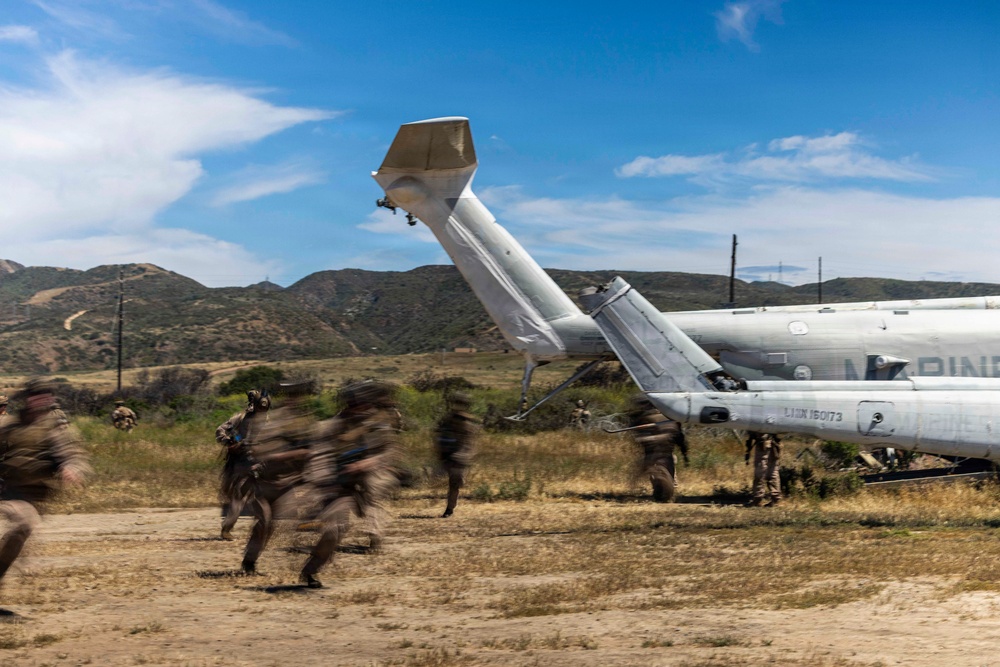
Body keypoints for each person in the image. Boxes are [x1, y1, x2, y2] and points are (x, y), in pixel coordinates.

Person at [299, 381, 400, 588]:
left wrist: (369, 463)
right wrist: (325, 482)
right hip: (337, 486)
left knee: (370, 503)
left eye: (365, 404)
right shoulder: (329, 428)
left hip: (366, 480)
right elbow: (318, 458)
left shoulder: (374, 424)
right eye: (358, 404)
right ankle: (310, 570)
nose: (363, 408)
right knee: (334, 529)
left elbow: (388, 450)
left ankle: (373, 535)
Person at [0, 379, 91, 593]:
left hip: (32, 495)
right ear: (28, 399)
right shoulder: (10, 426)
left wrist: (71, 468)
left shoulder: (53, 429)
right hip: (7, 489)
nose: (42, 401)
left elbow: (73, 454)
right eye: (37, 396)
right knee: (24, 523)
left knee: (23, 528)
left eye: (46, 396)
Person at [239, 383, 316, 575]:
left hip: (285, 483)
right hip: (262, 481)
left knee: (276, 524)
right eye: (292, 396)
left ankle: (253, 559)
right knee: (264, 521)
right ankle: (249, 562)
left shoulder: (304, 423)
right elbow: (258, 450)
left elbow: (312, 451)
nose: (295, 400)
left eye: (298, 396)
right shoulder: (271, 421)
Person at [215, 390, 271, 541]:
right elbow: (220, 431)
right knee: (240, 497)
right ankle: (227, 529)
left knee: (261, 499)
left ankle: (260, 531)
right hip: (243, 464)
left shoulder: (268, 424)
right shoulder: (240, 418)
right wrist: (230, 442)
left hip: (261, 464)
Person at [628, 395, 688, 502]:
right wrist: (684, 453)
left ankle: (664, 493)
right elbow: (680, 438)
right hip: (663, 453)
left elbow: (678, 437)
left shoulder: (648, 418)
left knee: (657, 472)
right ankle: (665, 493)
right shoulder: (669, 417)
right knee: (665, 471)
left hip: (658, 453)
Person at [435, 392, 478, 518]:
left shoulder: (466, 420)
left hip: (458, 455)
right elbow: (438, 435)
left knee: (454, 483)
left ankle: (449, 509)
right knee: (452, 482)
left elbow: (469, 440)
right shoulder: (447, 419)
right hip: (448, 454)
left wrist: (466, 454)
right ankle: (449, 509)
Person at [745, 432, 782, 507]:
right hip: (774, 444)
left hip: (763, 444)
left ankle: (757, 498)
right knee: (773, 472)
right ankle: (775, 498)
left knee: (760, 472)